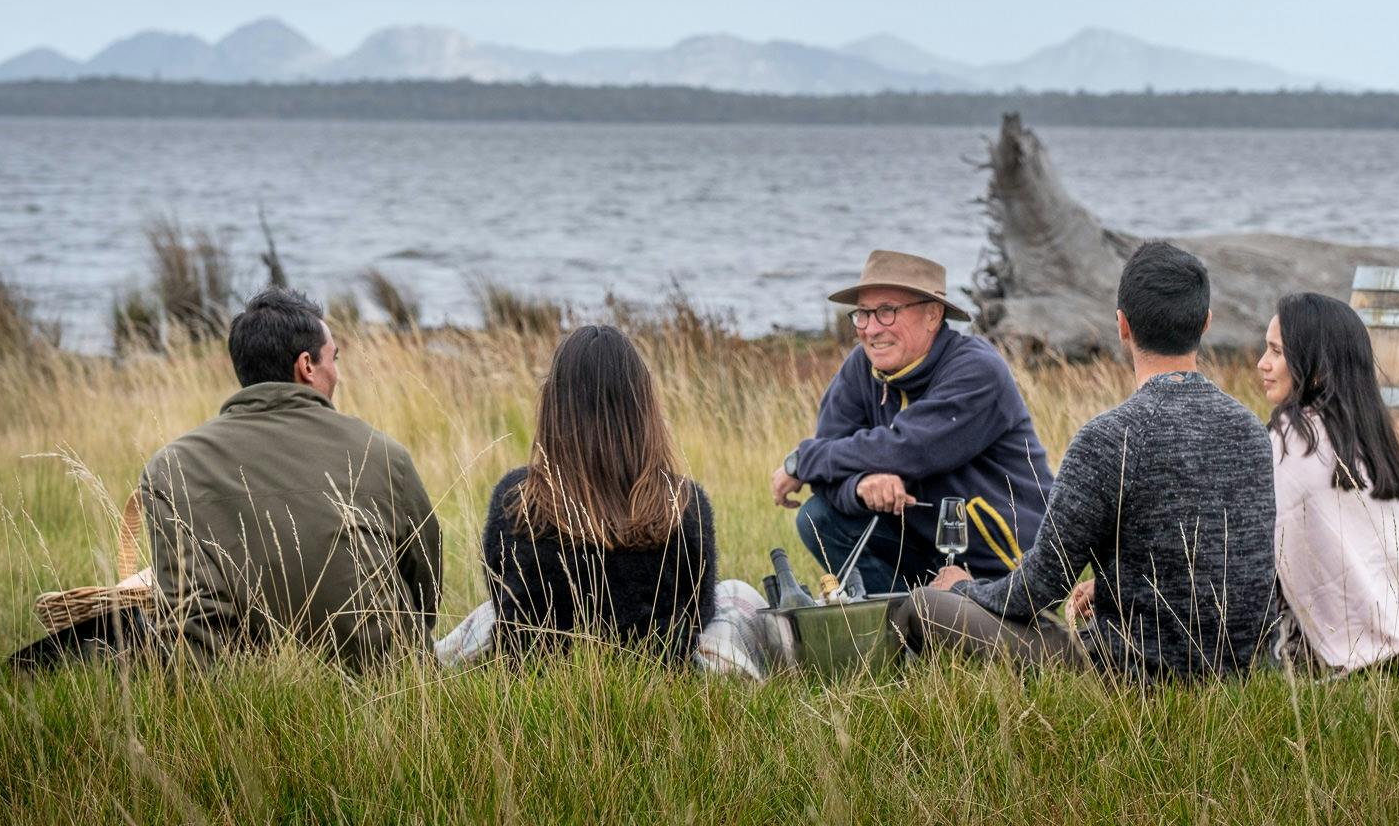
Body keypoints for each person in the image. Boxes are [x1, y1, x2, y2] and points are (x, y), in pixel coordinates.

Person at [894, 241, 1276, 679]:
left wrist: (962, 586)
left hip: (1132, 674)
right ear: (1205, 323)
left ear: (1122, 326)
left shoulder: (1109, 438)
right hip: (1239, 669)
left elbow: (1036, 590)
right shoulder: (1252, 431)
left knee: (923, 606)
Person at [437, 325, 779, 677]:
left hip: (537, 670)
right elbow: (697, 616)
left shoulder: (516, 497)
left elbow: (503, 599)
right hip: (656, 673)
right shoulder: (683, 503)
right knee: (738, 593)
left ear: (553, 405)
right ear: (644, 407)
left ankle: (432, 661)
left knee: (484, 615)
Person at [139, 287, 441, 670]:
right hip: (384, 682)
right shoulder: (381, 454)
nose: (339, 373)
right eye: (335, 358)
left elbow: (179, 608)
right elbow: (426, 588)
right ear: (307, 366)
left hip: (227, 697)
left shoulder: (169, 468)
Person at [770, 250, 1054, 594]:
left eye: (887, 312)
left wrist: (803, 459)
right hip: (924, 545)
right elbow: (829, 473)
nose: (872, 329)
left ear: (933, 315)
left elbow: (909, 449)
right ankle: (901, 629)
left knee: (977, 626)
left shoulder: (976, 369)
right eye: (863, 313)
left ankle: (936, 619)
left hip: (1003, 562)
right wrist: (859, 487)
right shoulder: (861, 368)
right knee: (818, 518)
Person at [1258, 292, 1399, 672]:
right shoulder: (1369, 434)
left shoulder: (1291, 436)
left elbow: (1259, 548)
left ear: (1317, 368)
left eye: (1276, 352)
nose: (1263, 364)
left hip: (1321, 646)